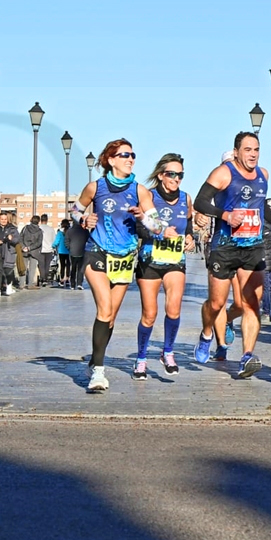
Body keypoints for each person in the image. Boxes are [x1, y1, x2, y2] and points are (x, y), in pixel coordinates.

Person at [73, 138, 170, 392]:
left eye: (133, 155)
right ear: (111, 159)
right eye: (125, 155)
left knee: (111, 318)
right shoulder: (95, 187)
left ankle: (95, 359)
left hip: (125, 258)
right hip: (97, 252)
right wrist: (84, 218)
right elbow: (74, 210)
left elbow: (157, 226)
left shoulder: (140, 191)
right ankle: (98, 373)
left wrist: (143, 217)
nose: (130, 159)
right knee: (103, 310)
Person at [192, 133, 271, 379]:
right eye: (247, 149)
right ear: (236, 151)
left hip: (253, 247)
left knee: (251, 304)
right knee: (216, 303)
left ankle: (247, 356)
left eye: (256, 149)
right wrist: (225, 216)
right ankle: (207, 333)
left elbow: (262, 207)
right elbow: (200, 202)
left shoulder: (264, 175)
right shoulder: (223, 173)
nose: (252, 154)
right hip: (225, 247)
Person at [133, 153, 195, 378]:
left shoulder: (186, 198)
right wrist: (159, 231)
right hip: (150, 260)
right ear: (161, 176)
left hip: (174, 261)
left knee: (174, 308)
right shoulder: (148, 197)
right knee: (150, 314)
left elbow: (187, 224)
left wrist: (190, 237)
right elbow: (138, 227)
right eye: (172, 174)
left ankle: (168, 352)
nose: (177, 179)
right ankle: (140, 359)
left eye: (180, 175)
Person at [65, 216, 89, 290]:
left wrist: (69, 248)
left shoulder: (69, 231)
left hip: (72, 252)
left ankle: (72, 284)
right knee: (81, 269)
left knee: (73, 268)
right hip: (82, 251)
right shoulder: (85, 231)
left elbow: (66, 241)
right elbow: (89, 240)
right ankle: (79, 283)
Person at [20, 215, 44, 289]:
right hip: (34, 252)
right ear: (38, 221)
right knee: (32, 269)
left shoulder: (25, 228)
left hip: (24, 251)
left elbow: (20, 237)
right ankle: (30, 284)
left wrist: (24, 247)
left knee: (23, 268)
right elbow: (39, 243)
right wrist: (30, 248)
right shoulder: (39, 231)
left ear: (31, 220)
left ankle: (21, 284)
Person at [39, 214, 56, 286]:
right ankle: (45, 279)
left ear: (40, 220)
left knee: (41, 265)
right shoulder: (51, 229)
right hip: (49, 250)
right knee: (47, 265)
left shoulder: (38, 228)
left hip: (40, 250)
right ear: (47, 220)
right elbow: (54, 240)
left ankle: (42, 279)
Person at [54, 219, 71, 287]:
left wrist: (53, 246)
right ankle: (67, 279)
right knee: (68, 265)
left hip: (61, 251)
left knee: (62, 266)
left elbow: (56, 242)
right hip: (69, 251)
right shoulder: (70, 231)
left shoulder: (59, 232)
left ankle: (61, 280)